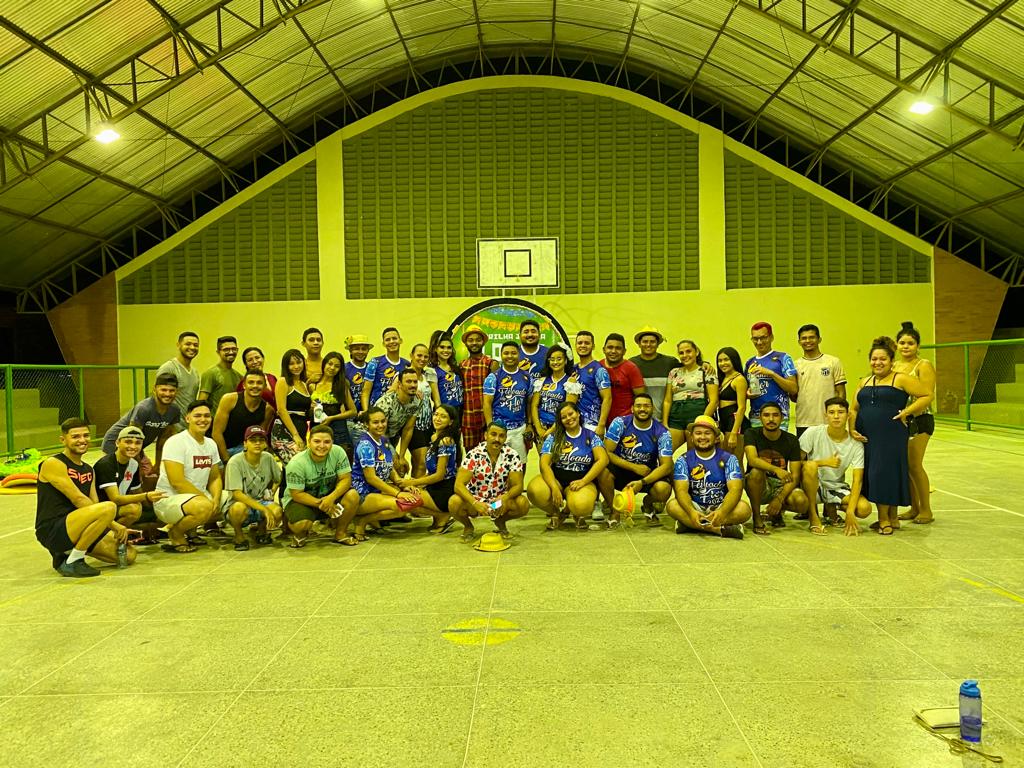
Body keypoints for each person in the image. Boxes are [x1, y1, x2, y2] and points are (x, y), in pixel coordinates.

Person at [849, 336, 932, 536]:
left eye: (882, 359)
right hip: (867, 437)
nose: (877, 363)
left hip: (891, 435)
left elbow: (927, 395)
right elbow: (853, 409)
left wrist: (907, 412)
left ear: (891, 361)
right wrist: (851, 429)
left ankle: (884, 519)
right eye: (874, 359)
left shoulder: (900, 378)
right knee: (876, 474)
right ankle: (892, 518)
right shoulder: (864, 381)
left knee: (884, 473)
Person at [36, 418, 135, 577]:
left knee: (129, 555)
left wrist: (112, 528)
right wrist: (115, 526)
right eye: (75, 436)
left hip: (81, 526)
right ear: (63, 440)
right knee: (109, 506)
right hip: (54, 528)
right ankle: (74, 560)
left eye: (86, 435)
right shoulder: (53, 463)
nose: (82, 440)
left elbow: (95, 505)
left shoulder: (89, 469)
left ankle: (69, 552)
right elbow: (78, 499)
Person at [153, 400, 232, 553]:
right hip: (168, 500)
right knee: (204, 506)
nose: (203, 419)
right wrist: (206, 500)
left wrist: (216, 499)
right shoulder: (176, 442)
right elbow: (177, 482)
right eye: (197, 416)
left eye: (207, 416)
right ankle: (176, 533)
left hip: (197, 498)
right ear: (188, 418)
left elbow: (215, 477)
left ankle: (191, 531)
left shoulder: (210, 443)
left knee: (233, 501)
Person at [528, 402, 609, 531]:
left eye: (571, 414)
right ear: (560, 421)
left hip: (581, 481)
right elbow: (544, 464)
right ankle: (555, 513)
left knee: (581, 506)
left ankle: (569, 511)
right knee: (535, 490)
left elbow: (603, 460)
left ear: (578, 413)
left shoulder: (591, 435)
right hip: (557, 479)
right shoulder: (553, 437)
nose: (568, 418)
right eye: (563, 417)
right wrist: (554, 487)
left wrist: (584, 481)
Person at [665, 415, 749, 539]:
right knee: (672, 506)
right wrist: (691, 512)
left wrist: (722, 512)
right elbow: (681, 491)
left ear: (716, 438)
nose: (703, 437)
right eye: (698, 433)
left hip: (721, 506)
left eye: (707, 433)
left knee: (744, 509)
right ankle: (718, 529)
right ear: (692, 437)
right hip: (695, 506)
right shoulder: (683, 460)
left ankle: (690, 525)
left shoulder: (729, 459)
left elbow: (735, 489)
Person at [597, 393, 673, 527]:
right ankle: (614, 510)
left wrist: (642, 482)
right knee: (602, 472)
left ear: (653, 409)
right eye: (638, 406)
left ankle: (647, 505)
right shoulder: (620, 423)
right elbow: (606, 452)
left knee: (664, 489)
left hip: (646, 472)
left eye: (646, 406)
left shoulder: (662, 432)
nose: (642, 409)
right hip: (622, 468)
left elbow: (667, 466)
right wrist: (634, 467)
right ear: (632, 408)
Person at [799, 397, 872, 536]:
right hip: (813, 486)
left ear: (848, 415)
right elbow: (796, 462)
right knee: (810, 466)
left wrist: (850, 512)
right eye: (831, 412)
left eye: (841, 412)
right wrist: (823, 462)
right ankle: (813, 516)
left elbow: (857, 480)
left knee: (864, 509)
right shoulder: (813, 432)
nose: (836, 416)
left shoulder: (856, 444)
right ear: (825, 415)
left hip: (835, 487)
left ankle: (831, 506)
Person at [283, 425, 362, 547]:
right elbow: (297, 494)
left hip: (329, 496)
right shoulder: (296, 463)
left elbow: (345, 479)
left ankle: (341, 533)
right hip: (302, 501)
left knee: (353, 495)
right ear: (309, 442)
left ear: (332, 442)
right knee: (302, 524)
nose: (322, 446)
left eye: (327, 442)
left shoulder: (338, 452)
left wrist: (331, 498)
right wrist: (324, 504)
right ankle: (299, 531)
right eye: (317, 441)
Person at [451, 421, 530, 541]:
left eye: (501, 436)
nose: (497, 439)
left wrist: (504, 497)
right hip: (476, 501)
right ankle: (468, 526)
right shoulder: (473, 454)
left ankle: (500, 521)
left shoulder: (512, 455)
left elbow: (518, 486)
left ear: (505, 438)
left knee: (523, 504)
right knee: (454, 502)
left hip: (497, 503)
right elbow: (458, 485)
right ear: (485, 435)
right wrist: (475, 503)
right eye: (493, 434)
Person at [349, 407, 419, 540]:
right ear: (366, 424)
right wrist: (398, 493)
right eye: (375, 422)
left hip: (377, 490)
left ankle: (369, 519)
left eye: (383, 421)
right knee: (401, 506)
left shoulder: (384, 440)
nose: (380, 425)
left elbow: (388, 467)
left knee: (414, 498)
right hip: (362, 493)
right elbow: (371, 478)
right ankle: (362, 521)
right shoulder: (365, 445)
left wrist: (401, 484)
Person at [894, 321, 937, 525]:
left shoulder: (923, 365)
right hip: (900, 421)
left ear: (917, 346)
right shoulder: (894, 366)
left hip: (919, 420)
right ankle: (914, 507)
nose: (906, 346)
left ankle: (926, 509)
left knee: (915, 465)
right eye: (902, 343)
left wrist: (908, 413)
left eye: (910, 343)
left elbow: (927, 396)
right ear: (896, 345)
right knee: (906, 467)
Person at [744, 402, 809, 535]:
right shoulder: (751, 433)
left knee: (801, 502)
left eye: (775, 415)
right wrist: (776, 469)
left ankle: (776, 512)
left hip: (780, 484)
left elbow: (795, 475)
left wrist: (779, 499)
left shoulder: (791, 440)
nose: (771, 419)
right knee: (756, 472)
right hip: (758, 483)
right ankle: (757, 517)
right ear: (760, 418)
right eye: (766, 415)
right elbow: (752, 460)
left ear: (782, 418)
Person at [100, 371, 180, 479]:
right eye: (163, 390)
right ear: (155, 389)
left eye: (172, 390)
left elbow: (163, 439)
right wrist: (138, 468)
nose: (167, 394)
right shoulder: (144, 408)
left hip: (137, 448)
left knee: (151, 477)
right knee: (124, 477)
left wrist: (157, 464)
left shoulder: (174, 411)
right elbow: (132, 438)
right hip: (117, 443)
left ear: (177, 391)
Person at [398, 404, 461, 533]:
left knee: (404, 499)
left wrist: (413, 482)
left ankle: (443, 515)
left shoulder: (445, 441)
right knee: (403, 491)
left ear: (451, 422)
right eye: (436, 414)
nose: (437, 419)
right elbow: (431, 471)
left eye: (443, 416)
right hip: (434, 486)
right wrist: (415, 483)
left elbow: (439, 475)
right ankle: (440, 516)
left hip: (443, 489)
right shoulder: (434, 437)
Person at [94, 425, 166, 532]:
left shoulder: (133, 464)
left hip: (118, 507)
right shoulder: (106, 464)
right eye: (128, 442)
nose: (133, 446)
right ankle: (107, 534)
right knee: (133, 509)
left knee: (159, 513)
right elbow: (115, 499)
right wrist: (146, 496)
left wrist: (155, 507)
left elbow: (136, 491)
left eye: (138, 443)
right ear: (117, 443)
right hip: (103, 509)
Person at [223, 426, 282, 550]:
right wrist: (264, 509)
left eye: (261, 440)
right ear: (245, 443)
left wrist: (271, 492)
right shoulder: (235, 462)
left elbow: (278, 478)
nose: (257, 443)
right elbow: (237, 494)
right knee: (239, 508)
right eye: (253, 440)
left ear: (265, 444)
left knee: (277, 511)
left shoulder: (268, 458)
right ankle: (239, 535)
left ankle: (261, 531)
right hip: (239, 504)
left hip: (261, 501)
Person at [361, 367, 422, 477]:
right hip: (371, 436)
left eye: (415, 382)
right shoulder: (386, 402)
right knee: (394, 466)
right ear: (399, 384)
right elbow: (379, 432)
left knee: (400, 467)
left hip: (392, 436)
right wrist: (394, 456)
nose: (413, 385)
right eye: (408, 381)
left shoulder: (417, 400)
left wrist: (402, 456)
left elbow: (408, 429)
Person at [663, 339, 719, 451]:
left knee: (693, 454)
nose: (685, 355)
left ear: (696, 352)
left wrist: (701, 422)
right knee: (665, 451)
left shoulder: (706, 371)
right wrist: (665, 423)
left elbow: (714, 401)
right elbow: (667, 400)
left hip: (697, 414)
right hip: (675, 417)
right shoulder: (674, 372)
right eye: (681, 353)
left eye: (688, 351)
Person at [794, 324, 847, 437]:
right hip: (803, 422)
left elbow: (841, 392)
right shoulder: (795, 365)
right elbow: (794, 396)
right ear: (799, 342)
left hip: (828, 422)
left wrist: (837, 415)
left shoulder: (833, 362)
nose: (808, 341)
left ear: (819, 339)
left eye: (811, 337)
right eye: (804, 338)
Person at [483, 341, 532, 461]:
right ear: (501, 355)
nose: (510, 356)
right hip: (499, 429)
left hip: (519, 429)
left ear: (519, 355)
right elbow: (487, 403)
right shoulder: (493, 377)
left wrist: (529, 424)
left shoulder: (527, 377)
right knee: (497, 463)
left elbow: (529, 403)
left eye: (513, 353)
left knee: (520, 464)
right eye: (506, 353)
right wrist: (490, 427)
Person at [212, 369, 276, 462]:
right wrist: (226, 460)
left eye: (259, 383)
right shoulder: (229, 400)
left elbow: (259, 437)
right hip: (221, 450)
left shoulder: (268, 410)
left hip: (245, 450)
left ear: (265, 386)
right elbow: (216, 433)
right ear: (244, 385)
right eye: (251, 382)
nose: (255, 386)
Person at [745, 322, 798, 429]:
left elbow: (793, 389)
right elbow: (744, 390)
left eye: (763, 338)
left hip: (778, 416)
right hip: (756, 417)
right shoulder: (750, 362)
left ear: (771, 337)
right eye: (755, 339)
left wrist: (772, 374)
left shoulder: (783, 358)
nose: (759, 342)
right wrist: (747, 394)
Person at [530, 345, 580, 455]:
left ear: (565, 361)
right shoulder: (542, 381)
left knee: (558, 461)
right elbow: (534, 405)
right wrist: (538, 428)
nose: (555, 362)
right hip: (541, 429)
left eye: (559, 359)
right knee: (543, 461)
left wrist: (551, 430)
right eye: (552, 359)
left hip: (560, 429)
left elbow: (568, 412)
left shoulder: (571, 382)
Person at [310, 351, 357, 457]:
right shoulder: (313, 385)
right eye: (330, 364)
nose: (332, 368)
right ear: (324, 364)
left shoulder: (341, 386)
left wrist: (332, 418)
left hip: (338, 429)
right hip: (317, 428)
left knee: (339, 458)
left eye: (337, 366)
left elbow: (353, 411)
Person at [403, 343, 439, 478]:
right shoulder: (404, 375)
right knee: (422, 463)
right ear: (411, 356)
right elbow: (392, 394)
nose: (422, 359)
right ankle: (417, 488)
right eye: (419, 355)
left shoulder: (429, 374)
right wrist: (410, 392)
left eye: (425, 356)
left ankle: (416, 487)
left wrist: (439, 419)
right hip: (412, 425)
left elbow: (437, 400)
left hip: (428, 424)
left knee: (421, 463)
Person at [459, 324, 498, 450]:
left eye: (478, 340)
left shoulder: (491, 363)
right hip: (468, 420)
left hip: (487, 419)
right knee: (470, 455)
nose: (474, 343)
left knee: (490, 453)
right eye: (470, 340)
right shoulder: (461, 365)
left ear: (483, 342)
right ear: (466, 343)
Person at [271, 349, 311, 464]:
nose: (296, 366)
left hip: (302, 427)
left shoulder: (304, 384)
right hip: (285, 430)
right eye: (291, 364)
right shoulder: (283, 382)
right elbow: (281, 410)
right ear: (286, 366)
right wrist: (295, 434)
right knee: (295, 465)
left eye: (298, 362)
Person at [156, 331, 200, 426]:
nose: (192, 347)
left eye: (195, 345)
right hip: (171, 427)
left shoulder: (195, 372)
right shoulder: (169, 368)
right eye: (188, 344)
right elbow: (157, 398)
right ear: (178, 345)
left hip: (188, 426)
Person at [572, 330, 612, 435]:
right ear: (575, 345)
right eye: (580, 343)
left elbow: (607, 398)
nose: (583, 345)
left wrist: (601, 425)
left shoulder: (599, 370)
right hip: (574, 423)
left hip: (592, 425)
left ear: (593, 346)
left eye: (587, 343)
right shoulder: (573, 369)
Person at [715, 347, 749, 465]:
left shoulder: (739, 379)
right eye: (720, 361)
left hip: (734, 422)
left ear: (734, 360)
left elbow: (742, 407)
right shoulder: (722, 378)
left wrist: (734, 433)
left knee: (735, 462)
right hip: (723, 421)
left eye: (726, 359)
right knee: (723, 462)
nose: (723, 363)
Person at [629, 326, 677, 408]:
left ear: (658, 344)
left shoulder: (670, 362)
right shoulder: (631, 364)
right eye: (645, 341)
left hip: (667, 413)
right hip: (641, 413)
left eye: (652, 342)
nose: (648, 345)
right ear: (639, 344)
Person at [601, 333, 645, 421]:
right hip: (601, 420)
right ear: (604, 349)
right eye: (610, 347)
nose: (613, 351)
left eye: (618, 348)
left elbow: (641, 398)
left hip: (626, 421)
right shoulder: (598, 366)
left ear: (624, 351)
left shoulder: (631, 368)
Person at [362, 327, 409, 411]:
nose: (391, 341)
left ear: (400, 340)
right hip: (377, 411)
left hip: (400, 412)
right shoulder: (374, 362)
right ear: (383, 343)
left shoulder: (407, 365)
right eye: (388, 340)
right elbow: (365, 392)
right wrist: (366, 412)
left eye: (394, 338)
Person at [197, 335, 241, 418]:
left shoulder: (239, 377)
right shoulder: (210, 373)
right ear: (218, 352)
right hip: (214, 422)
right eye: (226, 349)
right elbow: (201, 403)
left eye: (234, 349)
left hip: (233, 422)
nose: (231, 352)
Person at [344, 334, 374, 437]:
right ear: (350, 350)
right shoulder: (344, 368)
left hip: (368, 418)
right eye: (357, 348)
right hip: (349, 419)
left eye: (364, 349)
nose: (360, 352)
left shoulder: (372, 368)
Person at [428, 330, 464, 412]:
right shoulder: (432, 371)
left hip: (460, 412)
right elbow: (436, 400)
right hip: (445, 412)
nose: (446, 350)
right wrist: (441, 414)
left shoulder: (455, 368)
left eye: (449, 347)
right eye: (442, 347)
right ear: (435, 349)